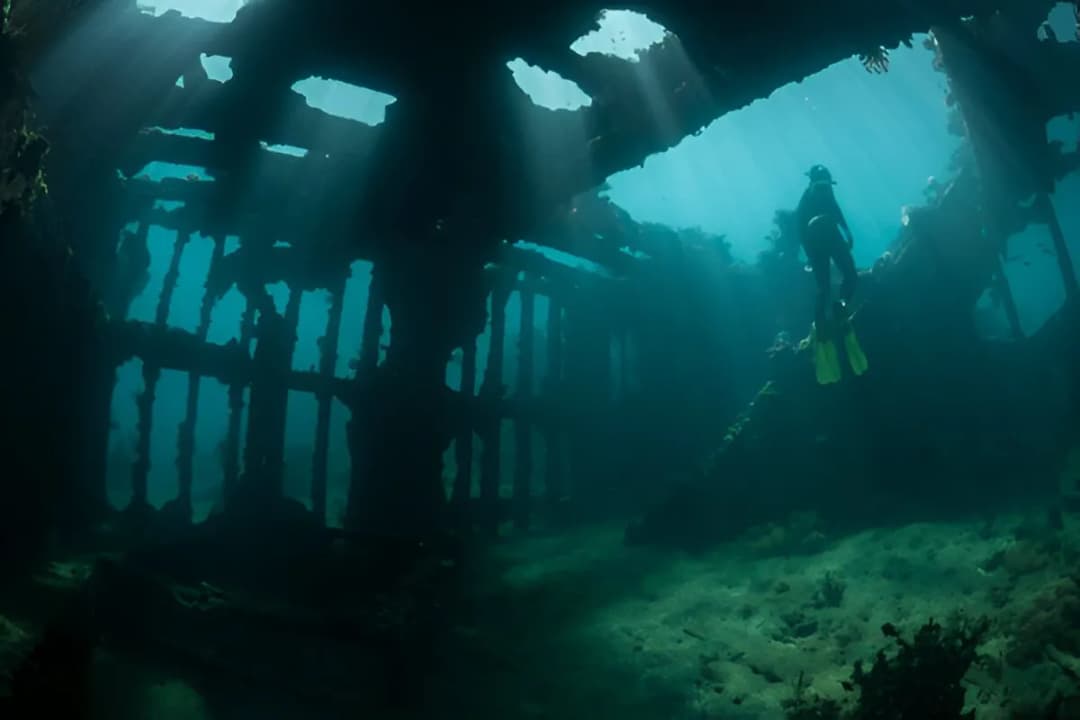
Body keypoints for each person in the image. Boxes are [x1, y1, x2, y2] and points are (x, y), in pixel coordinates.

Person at [796, 165, 867, 384]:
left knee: (851, 276)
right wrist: (810, 253)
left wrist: (848, 233)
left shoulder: (828, 195)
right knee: (823, 287)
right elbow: (800, 229)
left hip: (832, 238)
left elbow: (838, 212)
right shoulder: (804, 202)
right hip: (816, 242)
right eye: (819, 186)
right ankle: (821, 324)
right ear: (811, 184)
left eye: (826, 185)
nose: (824, 189)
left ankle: (841, 306)